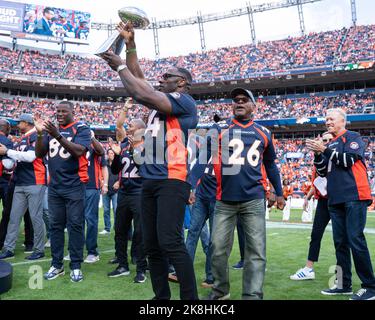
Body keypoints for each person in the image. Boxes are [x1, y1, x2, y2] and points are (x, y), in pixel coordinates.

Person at [103, 21, 199, 300]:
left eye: (168, 76)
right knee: (151, 245)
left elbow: (139, 90)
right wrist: (131, 44)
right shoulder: (162, 103)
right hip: (151, 180)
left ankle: (190, 300)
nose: (161, 79)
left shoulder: (185, 102)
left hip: (173, 178)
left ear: (181, 83)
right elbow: (140, 79)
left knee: (171, 242)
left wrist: (119, 66)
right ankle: (161, 298)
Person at [206, 87, 285, 300]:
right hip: (225, 199)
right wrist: (191, 184)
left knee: (256, 251)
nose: (239, 102)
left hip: (254, 199)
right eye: (235, 100)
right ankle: (221, 290)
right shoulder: (219, 129)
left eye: (244, 100)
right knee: (217, 248)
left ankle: (252, 295)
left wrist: (279, 192)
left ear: (253, 106)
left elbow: (270, 165)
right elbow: (207, 159)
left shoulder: (264, 132)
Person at [307, 108, 375, 300]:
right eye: (326, 118)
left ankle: (370, 287)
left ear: (342, 121)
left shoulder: (353, 136)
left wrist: (324, 150)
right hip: (334, 198)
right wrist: (318, 154)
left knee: (355, 239)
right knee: (340, 243)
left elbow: (348, 161)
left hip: (354, 194)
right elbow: (321, 172)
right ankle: (343, 284)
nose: (327, 121)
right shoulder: (329, 143)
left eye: (331, 118)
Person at [35, 101, 91, 283]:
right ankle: (57, 264)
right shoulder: (52, 129)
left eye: (63, 111)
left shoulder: (81, 128)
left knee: (75, 226)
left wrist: (57, 135)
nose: (59, 114)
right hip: (55, 187)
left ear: (72, 112)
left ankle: (75, 265)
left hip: (74, 186)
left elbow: (79, 151)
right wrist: (40, 133)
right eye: (57, 111)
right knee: (55, 227)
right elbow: (39, 153)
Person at [0, 114, 47, 260]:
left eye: (19, 122)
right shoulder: (21, 139)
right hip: (20, 181)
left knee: (35, 217)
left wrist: (7, 152)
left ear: (26, 123)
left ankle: (39, 249)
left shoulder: (36, 136)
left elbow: (31, 157)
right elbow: (13, 163)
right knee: (14, 217)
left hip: (35, 181)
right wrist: (5, 158)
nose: (17, 125)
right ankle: (8, 248)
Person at [107, 119, 148, 283]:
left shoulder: (148, 147)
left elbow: (144, 170)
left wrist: (134, 151)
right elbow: (116, 169)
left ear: (140, 129)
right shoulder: (123, 146)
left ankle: (141, 268)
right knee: (120, 230)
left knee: (140, 233)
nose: (128, 128)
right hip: (124, 192)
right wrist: (117, 155)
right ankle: (122, 265)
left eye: (131, 126)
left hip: (139, 192)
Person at [290, 132, 333, 280]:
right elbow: (317, 183)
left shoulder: (336, 157)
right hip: (323, 201)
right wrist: (307, 198)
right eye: (324, 140)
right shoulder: (318, 160)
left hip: (338, 200)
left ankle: (342, 273)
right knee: (315, 235)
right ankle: (309, 269)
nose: (326, 142)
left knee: (343, 238)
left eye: (329, 140)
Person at [83, 130, 107, 263]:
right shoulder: (75, 144)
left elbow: (104, 165)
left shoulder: (95, 147)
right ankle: (75, 249)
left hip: (92, 186)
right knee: (75, 220)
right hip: (76, 187)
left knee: (90, 219)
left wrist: (105, 184)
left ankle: (92, 251)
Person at [100, 149, 119, 235]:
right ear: (107, 154)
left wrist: (118, 181)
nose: (111, 155)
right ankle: (107, 228)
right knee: (106, 210)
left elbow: (121, 174)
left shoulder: (118, 163)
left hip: (116, 191)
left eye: (112, 153)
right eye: (109, 153)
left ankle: (117, 227)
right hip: (106, 191)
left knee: (116, 210)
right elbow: (101, 174)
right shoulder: (104, 164)